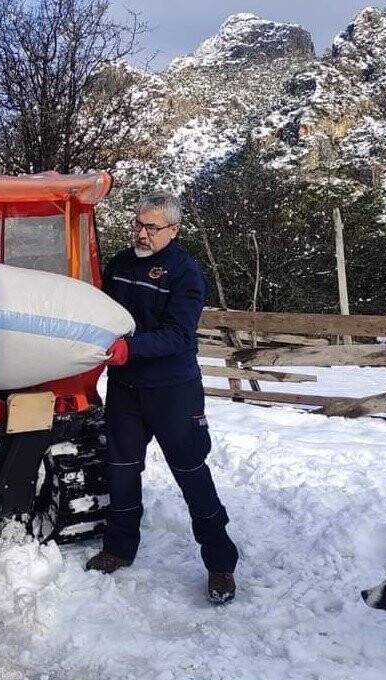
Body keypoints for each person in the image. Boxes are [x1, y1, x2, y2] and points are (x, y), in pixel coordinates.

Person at [86, 191, 240, 604]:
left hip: (173, 391)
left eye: (151, 228)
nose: (141, 233)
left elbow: (178, 335)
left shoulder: (184, 273)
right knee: (121, 470)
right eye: (138, 224)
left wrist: (128, 349)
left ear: (173, 230)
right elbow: (101, 312)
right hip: (125, 389)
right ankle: (119, 547)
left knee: (191, 472)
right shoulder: (119, 265)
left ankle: (220, 563)